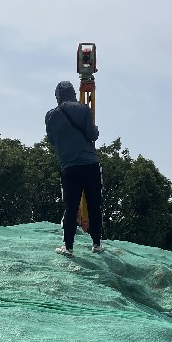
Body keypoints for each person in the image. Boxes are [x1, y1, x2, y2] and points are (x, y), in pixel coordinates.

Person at [45, 80, 104, 256]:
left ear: (57, 96)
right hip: (90, 163)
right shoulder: (84, 109)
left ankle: (68, 247)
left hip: (69, 166)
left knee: (71, 207)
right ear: (73, 93)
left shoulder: (50, 116)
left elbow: (51, 140)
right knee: (94, 205)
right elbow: (92, 135)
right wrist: (96, 130)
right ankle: (97, 244)